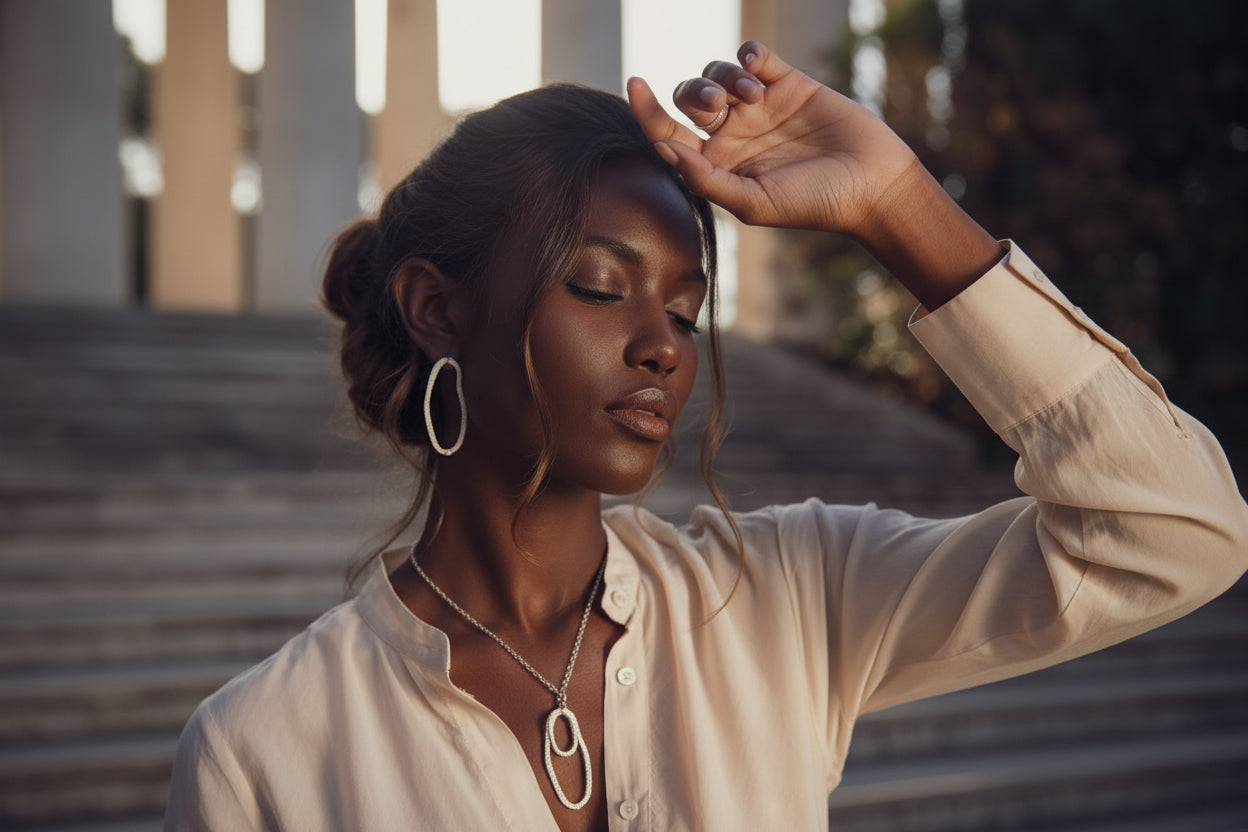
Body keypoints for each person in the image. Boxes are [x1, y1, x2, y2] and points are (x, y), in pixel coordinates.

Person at [165, 40, 1248, 831]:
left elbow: (1176, 530)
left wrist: (894, 205)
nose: (663, 348)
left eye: (687, 312)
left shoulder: (785, 597)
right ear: (437, 308)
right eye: (602, 288)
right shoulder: (261, 751)